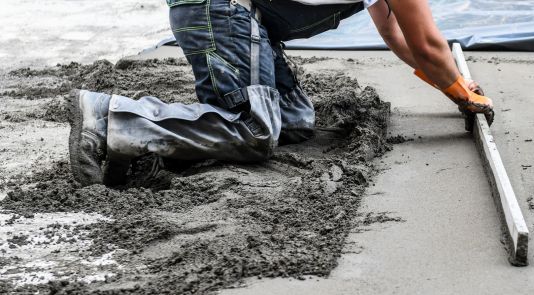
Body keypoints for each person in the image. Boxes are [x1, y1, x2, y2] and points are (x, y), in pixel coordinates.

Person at [68, 0, 494, 187]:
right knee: (254, 129)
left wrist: (456, 82)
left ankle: (151, 146)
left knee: (294, 119)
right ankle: (110, 116)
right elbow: (426, 45)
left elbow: (397, 36)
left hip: (240, 16)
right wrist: (459, 94)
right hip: (219, 11)